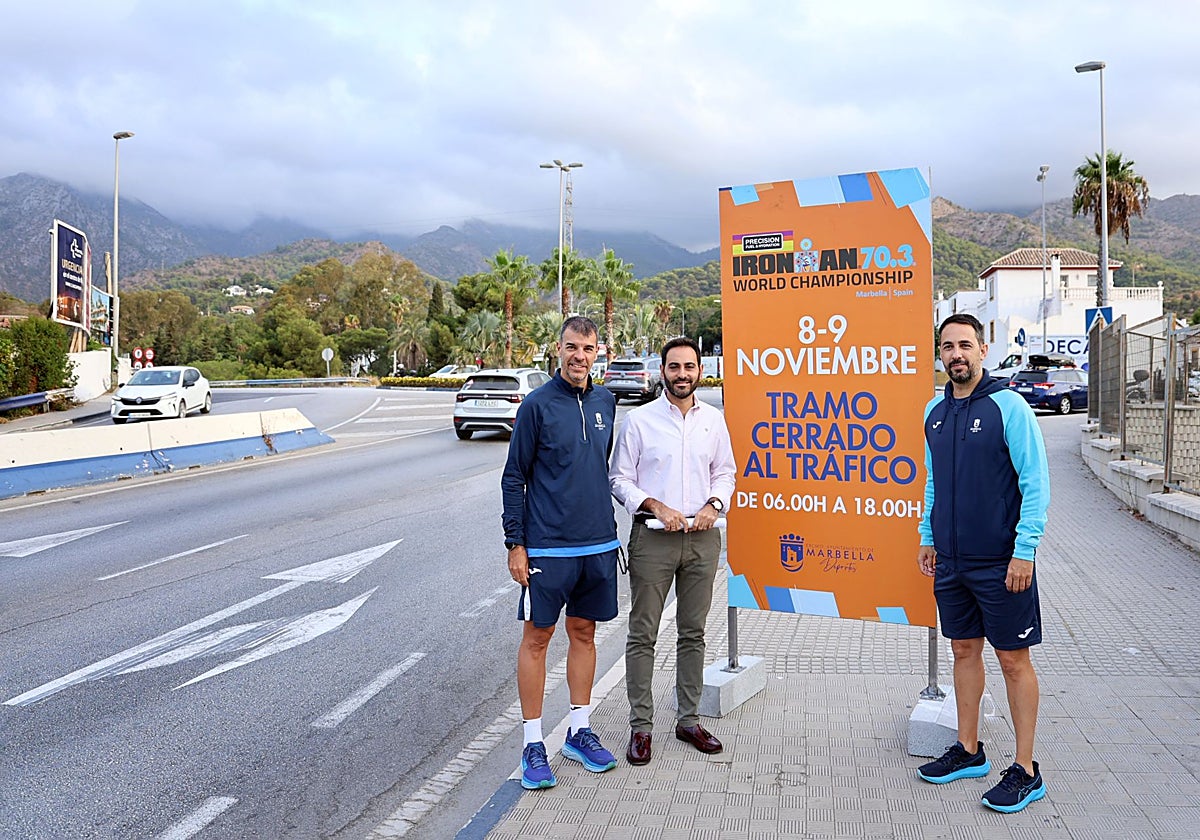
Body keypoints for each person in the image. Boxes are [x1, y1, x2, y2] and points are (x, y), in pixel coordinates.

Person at [916, 313, 1051, 813]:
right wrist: (928, 537)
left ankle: (1026, 769)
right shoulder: (934, 411)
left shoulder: (1008, 406)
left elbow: (1035, 482)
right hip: (951, 562)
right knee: (963, 652)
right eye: (948, 346)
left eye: (965, 345)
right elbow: (934, 481)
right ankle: (970, 751)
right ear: (940, 354)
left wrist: (1025, 550)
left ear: (983, 349)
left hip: (1002, 562)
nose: (957, 354)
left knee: (1013, 660)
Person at [501, 315, 622, 790]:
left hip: (597, 544)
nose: (580, 356)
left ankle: (578, 731)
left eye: (588, 349)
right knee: (537, 639)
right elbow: (515, 476)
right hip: (547, 548)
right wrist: (516, 542)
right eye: (572, 347)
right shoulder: (536, 405)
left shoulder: (606, 401)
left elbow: (598, 467)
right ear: (559, 348)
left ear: (598, 353)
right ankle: (533, 742)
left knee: (585, 634)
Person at [609, 337, 736, 765]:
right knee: (643, 633)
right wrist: (656, 506)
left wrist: (713, 505)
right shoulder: (639, 421)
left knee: (693, 633)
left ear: (700, 371)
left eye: (689, 367)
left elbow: (726, 473)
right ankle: (641, 728)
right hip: (653, 540)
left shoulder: (714, 421)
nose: (682, 374)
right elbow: (619, 479)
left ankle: (688, 720)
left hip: (703, 539)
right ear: (662, 371)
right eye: (674, 367)